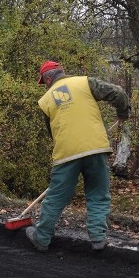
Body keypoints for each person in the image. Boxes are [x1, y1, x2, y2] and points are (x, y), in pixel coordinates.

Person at [26, 60, 130, 253]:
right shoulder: (85, 82)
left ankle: (41, 239)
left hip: (66, 153)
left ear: (48, 79)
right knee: (98, 194)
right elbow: (118, 93)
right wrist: (123, 112)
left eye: (44, 82)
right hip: (95, 148)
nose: (45, 85)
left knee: (56, 197)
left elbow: (52, 133)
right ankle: (98, 238)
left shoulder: (45, 100)